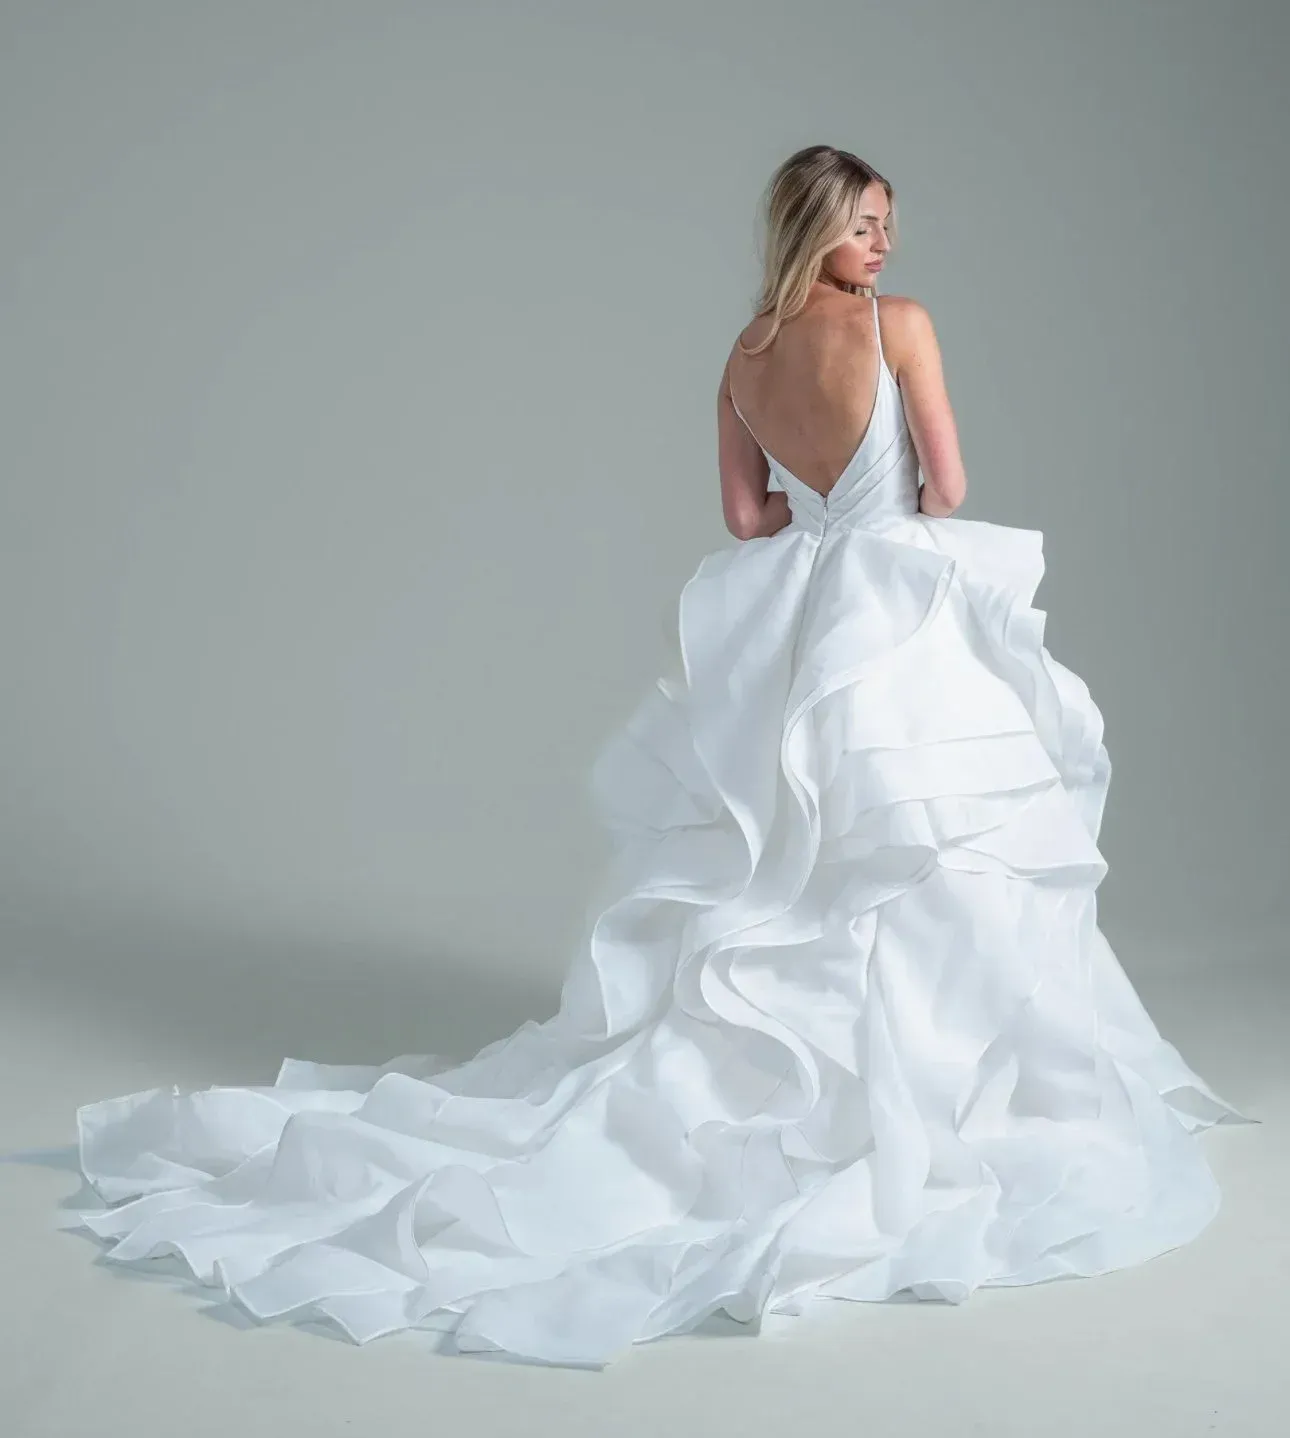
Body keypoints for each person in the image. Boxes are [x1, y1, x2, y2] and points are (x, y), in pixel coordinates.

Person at [68, 144, 1257, 1371]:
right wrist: (880, 500)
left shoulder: (745, 354)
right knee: (915, 851)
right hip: (893, 616)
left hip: (797, 632)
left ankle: (815, 1094)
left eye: (891, 221)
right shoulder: (899, 327)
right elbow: (946, 488)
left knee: (794, 864)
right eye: (864, 222)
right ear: (817, 227)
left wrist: (815, 510)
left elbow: (744, 518)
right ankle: (930, 1097)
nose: (885, 242)